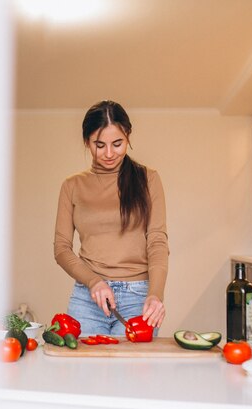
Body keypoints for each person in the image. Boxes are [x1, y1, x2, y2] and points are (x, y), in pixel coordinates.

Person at [53, 100, 169, 336]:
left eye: (117, 144)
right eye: (99, 144)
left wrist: (155, 294)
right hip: (88, 297)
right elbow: (61, 249)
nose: (108, 154)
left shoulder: (149, 179)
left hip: (138, 298)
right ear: (87, 142)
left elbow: (157, 241)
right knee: (81, 371)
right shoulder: (72, 186)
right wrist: (93, 281)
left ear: (128, 135)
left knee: (133, 372)